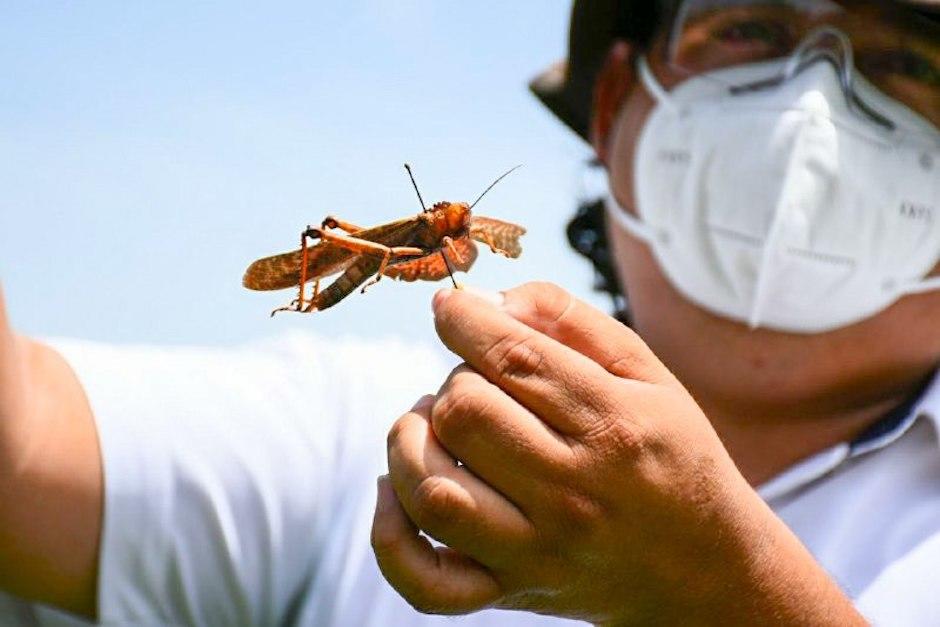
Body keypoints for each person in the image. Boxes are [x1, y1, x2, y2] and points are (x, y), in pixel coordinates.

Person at [1, 0, 938, 624]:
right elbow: (25, 441)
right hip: (354, 255)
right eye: (748, 28)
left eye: (909, 56)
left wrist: (721, 593)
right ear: (611, 107)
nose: (811, 112)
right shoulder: (383, 418)